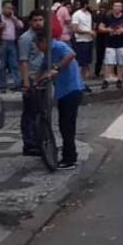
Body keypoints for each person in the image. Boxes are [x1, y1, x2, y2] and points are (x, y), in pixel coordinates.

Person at [36, 33, 84, 170]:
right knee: (65, 125)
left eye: (39, 45)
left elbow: (70, 55)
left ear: (44, 41)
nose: (38, 48)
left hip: (71, 89)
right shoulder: (48, 53)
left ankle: (70, 158)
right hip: (63, 92)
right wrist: (35, 82)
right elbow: (42, 68)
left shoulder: (58, 46)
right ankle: (69, 154)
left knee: (67, 126)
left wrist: (55, 69)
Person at [18, 10, 47, 156]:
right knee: (30, 112)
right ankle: (29, 144)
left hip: (42, 77)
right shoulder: (26, 38)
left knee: (41, 111)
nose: (38, 23)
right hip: (31, 77)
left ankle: (39, 140)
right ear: (30, 22)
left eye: (40, 20)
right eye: (35, 20)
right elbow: (23, 61)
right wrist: (25, 83)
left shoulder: (43, 36)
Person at [0, 1, 24, 92]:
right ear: (3, 8)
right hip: (2, 43)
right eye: (8, 8)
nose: (10, 10)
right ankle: (2, 86)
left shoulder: (13, 19)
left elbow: (21, 26)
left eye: (11, 8)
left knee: (14, 64)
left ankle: (17, 84)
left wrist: (14, 18)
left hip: (12, 43)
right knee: (1, 65)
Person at [98, 1, 123, 90]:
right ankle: (106, 80)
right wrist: (107, 30)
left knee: (121, 62)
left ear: (121, 8)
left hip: (122, 42)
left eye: (119, 6)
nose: (117, 8)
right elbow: (100, 27)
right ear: (112, 7)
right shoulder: (107, 17)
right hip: (110, 43)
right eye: (115, 6)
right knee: (109, 62)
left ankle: (119, 79)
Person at [71, 0, 96, 86]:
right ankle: (77, 81)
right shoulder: (77, 14)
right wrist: (88, 32)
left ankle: (82, 82)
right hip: (80, 41)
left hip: (89, 40)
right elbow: (75, 29)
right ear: (85, 4)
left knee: (86, 62)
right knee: (80, 62)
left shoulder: (89, 14)